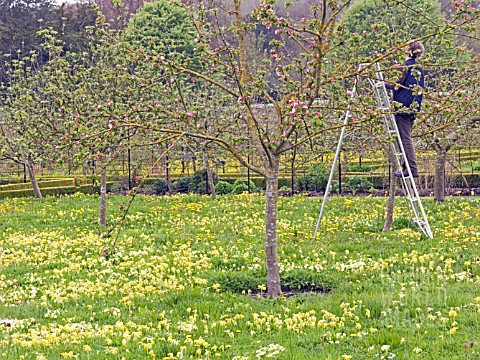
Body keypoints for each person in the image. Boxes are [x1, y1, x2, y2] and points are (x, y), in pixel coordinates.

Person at [385, 41, 425, 178]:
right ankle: (406, 167)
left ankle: (411, 169)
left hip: (402, 107)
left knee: (404, 138)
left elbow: (397, 84)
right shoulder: (419, 68)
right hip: (413, 106)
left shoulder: (406, 66)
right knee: (404, 138)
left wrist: (383, 84)